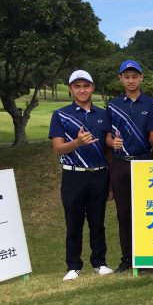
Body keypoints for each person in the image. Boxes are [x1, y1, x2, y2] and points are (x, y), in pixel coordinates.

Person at [48, 70, 113, 281]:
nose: (82, 90)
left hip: (99, 174)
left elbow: (108, 148)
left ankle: (100, 262)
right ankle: (73, 265)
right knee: (73, 222)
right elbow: (58, 148)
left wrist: (110, 179)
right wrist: (77, 143)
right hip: (73, 176)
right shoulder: (61, 114)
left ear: (92, 88)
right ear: (70, 89)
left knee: (97, 221)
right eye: (77, 86)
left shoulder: (103, 114)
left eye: (86, 86)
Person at [105, 60, 153, 273]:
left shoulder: (151, 104)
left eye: (135, 76)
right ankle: (128, 258)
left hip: (144, 162)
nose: (131, 80)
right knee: (124, 213)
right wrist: (112, 143)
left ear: (141, 77)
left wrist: (149, 158)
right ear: (120, 79)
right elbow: (107, 138)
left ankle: (149, 257)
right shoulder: (113, 105)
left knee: (147, 212)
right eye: (126, 77)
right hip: (120, 163)